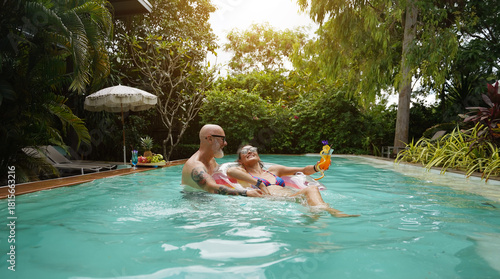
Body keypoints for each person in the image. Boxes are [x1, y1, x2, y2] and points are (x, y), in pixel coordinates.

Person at [226, 145, 359, 217]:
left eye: (252, 149)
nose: (249, 151)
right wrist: (258, 183)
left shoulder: (274, 170)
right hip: (271, 200)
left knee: (312, 207)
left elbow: (303, 170)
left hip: (290, 196)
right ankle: (332, 212)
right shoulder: (242, 171)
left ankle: (314, 219)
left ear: (259, 155)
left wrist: (317, 167)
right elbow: (230, 172)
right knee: (311, 189)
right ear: (240, 160)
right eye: (245, 151)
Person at [181, 124, 263, 197]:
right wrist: (246, 193)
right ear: (210, 139)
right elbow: (212, 187)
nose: (225, 143)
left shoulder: (211, 160)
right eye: (222, 139)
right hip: (195, 204)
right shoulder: (195, 166)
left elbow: (222, 174)